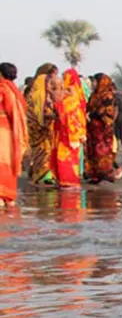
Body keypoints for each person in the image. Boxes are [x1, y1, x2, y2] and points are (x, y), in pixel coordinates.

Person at [24, 64, 59, 187]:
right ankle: (43, 174)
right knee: (43, 151)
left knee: (45, 151)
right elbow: (38, 114)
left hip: (45, 128)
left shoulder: (45, 93)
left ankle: (43, 174)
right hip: (38, 128)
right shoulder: (36, 95)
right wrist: (54, 116)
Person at [52, 69, 87, 188]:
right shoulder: (75, 94)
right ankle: (67, 181)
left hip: (69, 134)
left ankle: (69, 181)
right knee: (68, 158)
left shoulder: (72, 97)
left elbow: (72, 116)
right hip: (66, 132)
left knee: (66, 158)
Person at [85, 74, 122, 184]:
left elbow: (106, 111)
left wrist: (91, 114)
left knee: (102, 151)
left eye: (95, 81)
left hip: (102, 128)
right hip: (93, 128)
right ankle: (95, 174)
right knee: (93, 151)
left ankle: (105, 173)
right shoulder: (94, 95)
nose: (93, 84)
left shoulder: (107, 96)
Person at [0, 62, 28, 208]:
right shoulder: (15, 92)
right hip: (9, 132)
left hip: (3, 132)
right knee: (8, 162)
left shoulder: (4, 89)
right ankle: (8, 195)